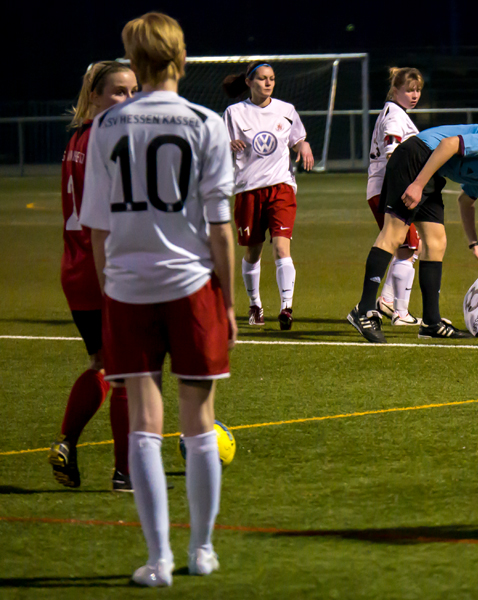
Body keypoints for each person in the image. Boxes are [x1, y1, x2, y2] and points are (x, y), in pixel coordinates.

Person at [80, 12, 237, 585]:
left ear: (134, 60)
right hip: (192, 285)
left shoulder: (106, 125)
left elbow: (95, 226)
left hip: (127, 288)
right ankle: (201, 550)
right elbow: (221, 225)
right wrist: (227, 301)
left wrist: (109, 288)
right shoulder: (204, 121)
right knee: (199, 422)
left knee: (143, 424)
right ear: (181, 57)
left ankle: (157, 559)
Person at [348, 124, 478, 343]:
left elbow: (466, 201)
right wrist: (418, 184)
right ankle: (365, 311)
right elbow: (449, 144)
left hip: (430, 171)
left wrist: (474, 244)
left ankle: (431, 323)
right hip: (415, 157)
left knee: (436, 243)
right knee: (394, 235)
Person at [49, 61, 137, 492]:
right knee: (127, 372)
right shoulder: (108, 141)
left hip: (76, 268)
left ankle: (67, 441)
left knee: (104, 365)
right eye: (119, 92)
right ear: (97, 96)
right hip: (104, 267)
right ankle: (125, 473)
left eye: (134, 90)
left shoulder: (78, 138)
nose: (129, 99)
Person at [222, 62, 314, 330]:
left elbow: (298, 138)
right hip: (248, 189)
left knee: (281, 246)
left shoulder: (286, 110)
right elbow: (220, 146)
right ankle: (255, 305)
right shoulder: (234, 112)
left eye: (271, 79)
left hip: (281, 186)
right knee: (253, 251)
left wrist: (303, 144)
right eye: (262, 79)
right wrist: (228, 144)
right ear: (249, 82)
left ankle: (286, 307)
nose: (268, 83)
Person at [367, 67, 424, 326]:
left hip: (386, 187)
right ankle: (400, 313)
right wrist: (403, 188)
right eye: (409, 90)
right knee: (407, 248)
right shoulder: (394, 116)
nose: (415, 95)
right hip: (388, 187)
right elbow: (393, 154)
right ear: (395, 91)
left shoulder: (396, 112)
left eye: (418, 90)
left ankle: (388, 301)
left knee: (409, 247)